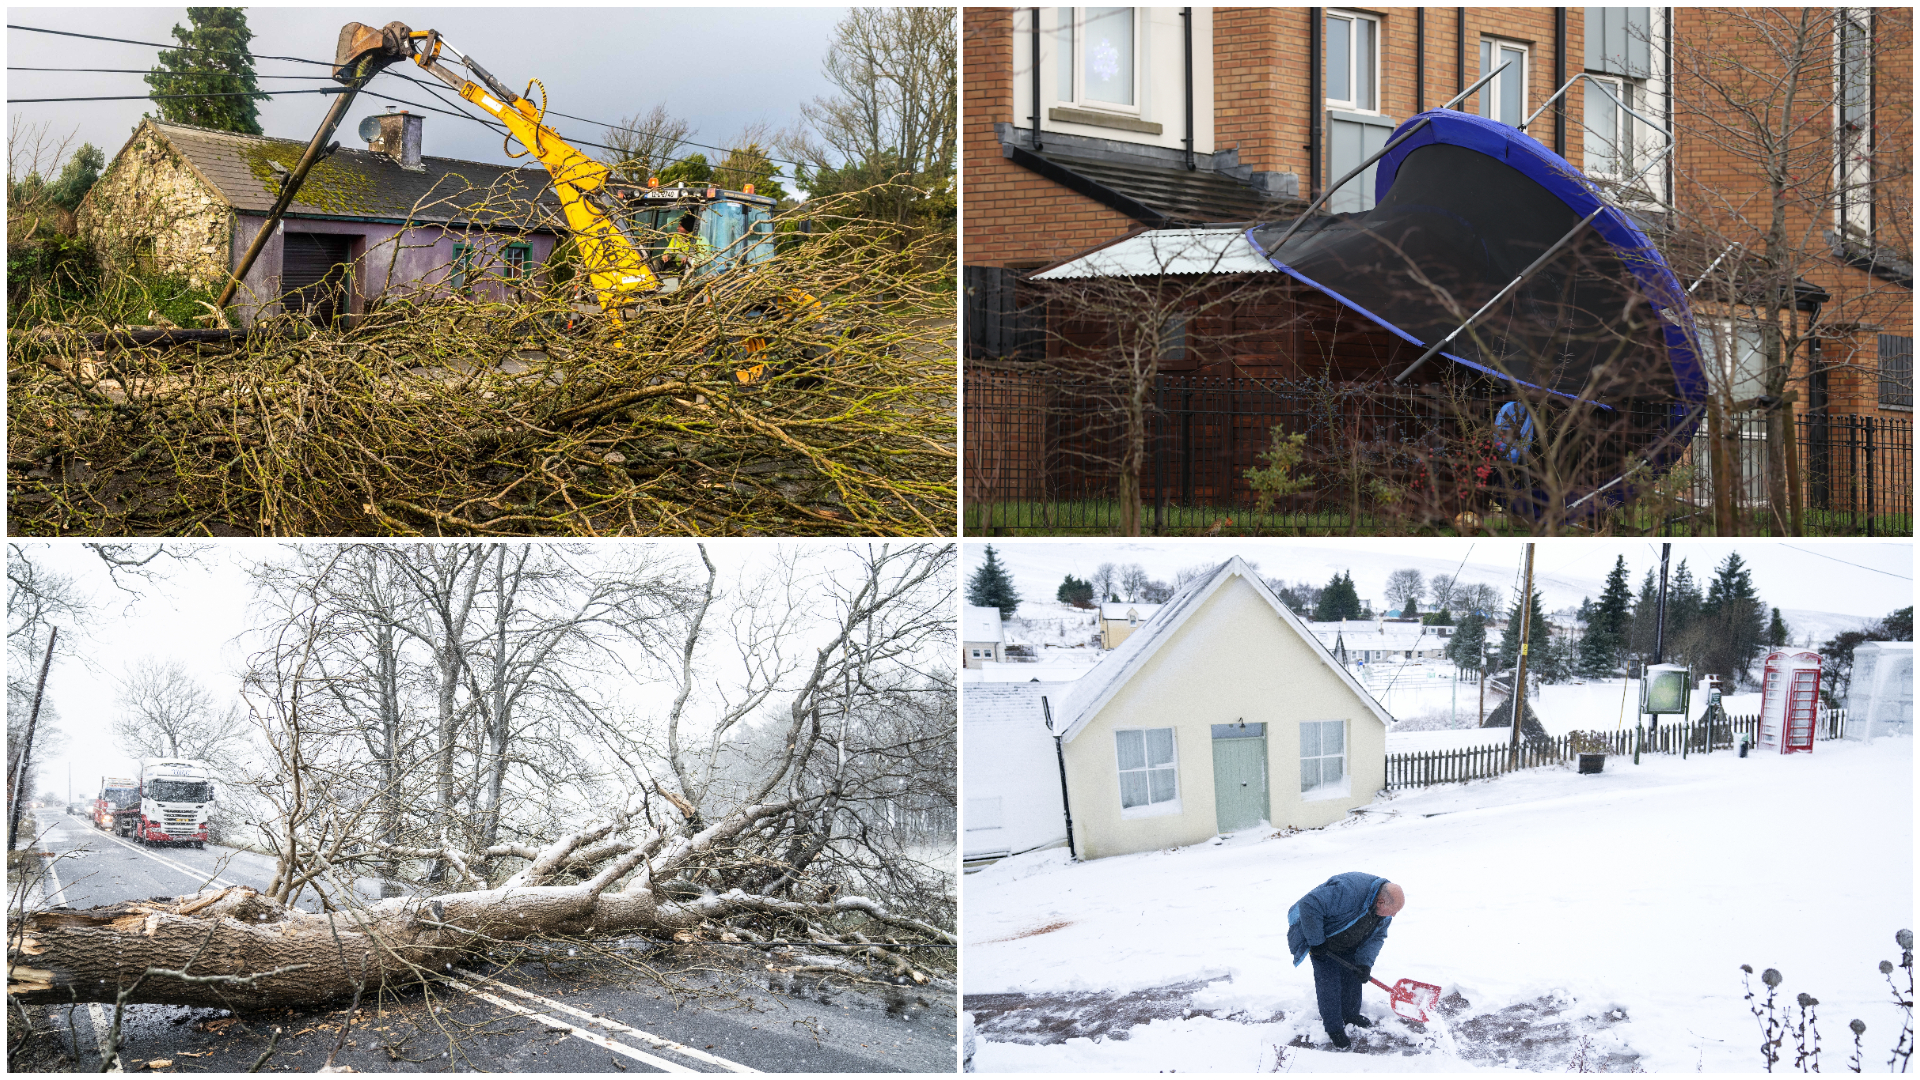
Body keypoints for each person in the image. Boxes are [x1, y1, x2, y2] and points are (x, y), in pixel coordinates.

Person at [1287, 873, 1406, 1050]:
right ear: (1381, 902)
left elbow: (1377, 937)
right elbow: (1309, 904)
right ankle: (1334, 1028)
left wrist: (1365, 963)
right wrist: (1316, 942)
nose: (1394, 916)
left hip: (1350, 941)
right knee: (1329, 984)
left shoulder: (1383, 910)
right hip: (1323, 941)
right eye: (1393, 911)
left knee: (1354, 977)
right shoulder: (1348, 892)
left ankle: (1351, 1015)